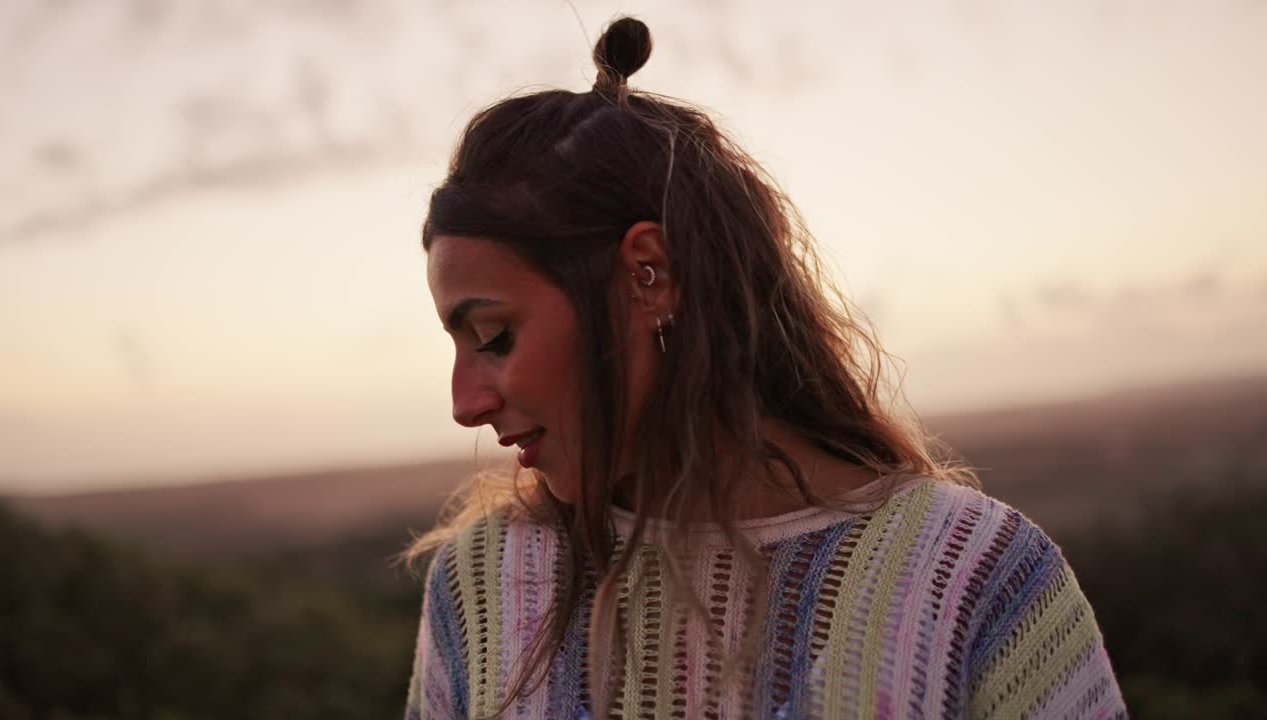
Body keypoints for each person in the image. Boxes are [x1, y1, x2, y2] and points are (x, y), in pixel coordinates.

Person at [403, 16, 1126, 720]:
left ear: (649, 275)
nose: (465, 404)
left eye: (494, 336)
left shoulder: (975, 579)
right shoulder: (480, 588)